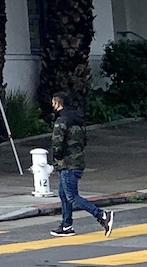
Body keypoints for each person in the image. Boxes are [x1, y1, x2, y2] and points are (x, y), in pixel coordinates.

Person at [49, 92, 114, 238]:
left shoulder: (62, 121)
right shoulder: (78, 120)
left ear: (58, 104)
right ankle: (67, 225)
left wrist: (57, 157)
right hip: (77, 161)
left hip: (67, 163)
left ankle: (102, 215)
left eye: (53, 103)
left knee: (72, 196)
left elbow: (57, 142)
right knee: (63, 194)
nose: (52, 106)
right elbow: (84, 142)